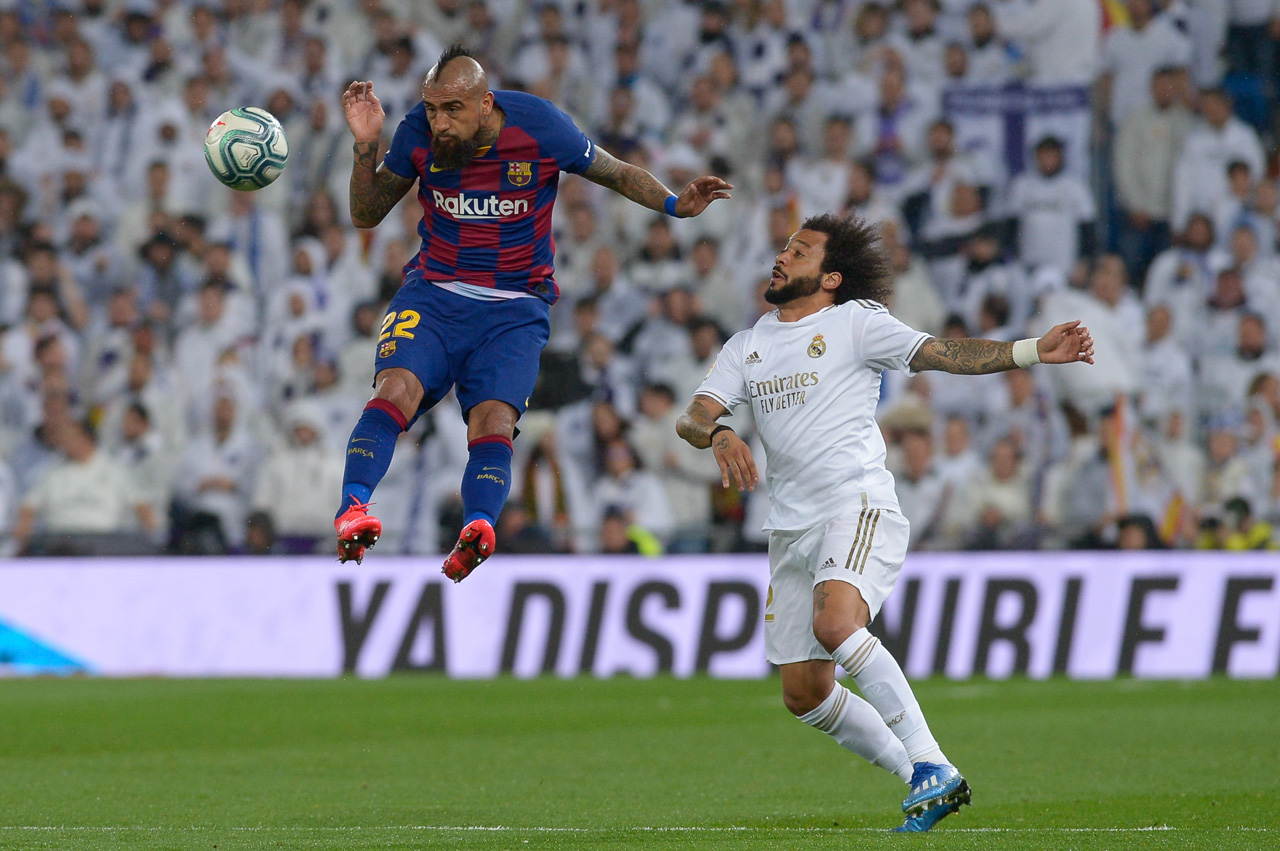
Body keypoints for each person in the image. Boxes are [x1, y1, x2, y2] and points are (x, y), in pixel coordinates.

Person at [675, 213, 1094, 832]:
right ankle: (927, 776)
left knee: (836, 620)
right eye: (786, 247)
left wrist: (1031, 350)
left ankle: (932, 764)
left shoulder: (855, 323)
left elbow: (942, 354)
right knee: (804, 693)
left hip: (856, 502)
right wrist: (719, 431)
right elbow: (692, 416)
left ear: (831, 276)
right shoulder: (748, 345)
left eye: (801, 250)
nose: (782, 256)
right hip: (789, 526)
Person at [332, 45, 731, 580]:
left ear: (485, 102)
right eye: (431, 109)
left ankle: (477, 527)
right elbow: (365, 213)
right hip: (434, 292)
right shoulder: (417, 133)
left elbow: (614, 172)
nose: (439, 122)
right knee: (393, 390)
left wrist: (673, 205)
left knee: (493, 420)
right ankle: (353, 507)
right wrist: (364, 145)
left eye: (452, 109)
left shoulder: (541, 126)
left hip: (515, 305)